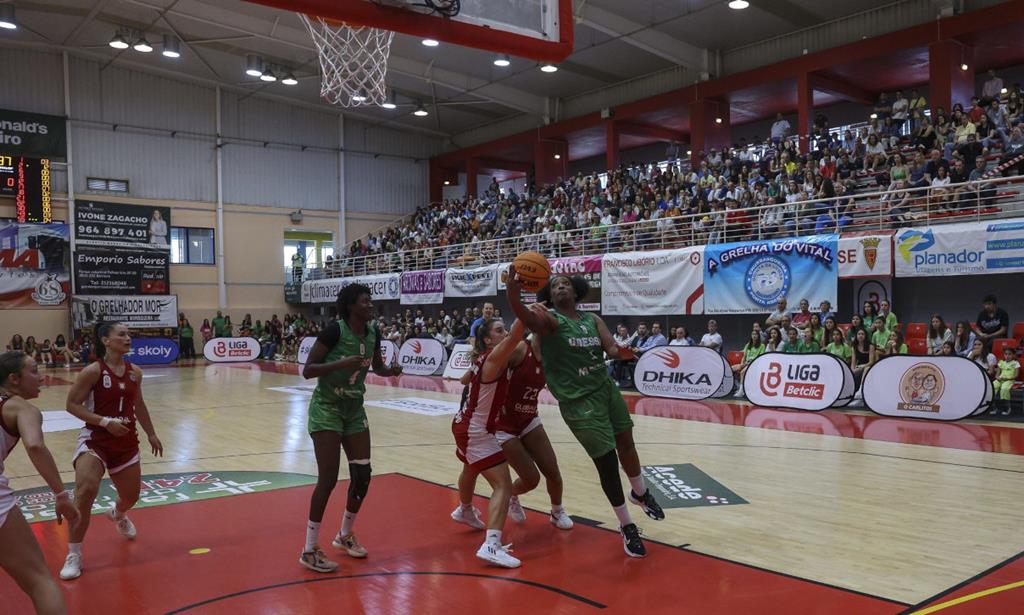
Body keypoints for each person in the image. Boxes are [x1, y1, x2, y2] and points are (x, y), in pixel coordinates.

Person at [507, 269, 663, 558]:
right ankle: (627, 525)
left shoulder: (593, 319)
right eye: (555, 286)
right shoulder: (550, 321)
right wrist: (513, 294)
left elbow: (613, 349)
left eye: (566, 284)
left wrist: (625, 352)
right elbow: (526, 318)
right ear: (550, 296)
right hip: (578, 401)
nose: (561, 287)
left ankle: (640, 492)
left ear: (576, 291)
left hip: (605, 389)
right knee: (606, 461)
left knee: (626, 443)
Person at [298, 284, 402, 573]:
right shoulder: (334, 331)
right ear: (350, 306)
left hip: (354, 410)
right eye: (365, 301)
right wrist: (340, 362)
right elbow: (308, 370)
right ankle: (309, 549)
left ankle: (344, 534)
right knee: (328, 479)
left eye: (370, 301)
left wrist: (389, 371)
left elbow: (377, 366)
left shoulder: (373, 333)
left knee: (362, 475)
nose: (371, 305)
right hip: (327, 408)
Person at [60, 322, 164, 580]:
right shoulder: (92, 371)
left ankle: (118, 514)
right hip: (96, 439)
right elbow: (72, 405)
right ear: (106, 340)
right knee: (85, 492)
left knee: (131, 496)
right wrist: (105, 422)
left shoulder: (135, 372)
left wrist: (151, 433)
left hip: (126, 442)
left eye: (129, 334)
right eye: (122, 334)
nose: (128, 338)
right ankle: (74, 553)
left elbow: (138, 404)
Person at [0, 351, 80, 614]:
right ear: (14, 378)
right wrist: (61, 494)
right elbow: (34, 444)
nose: (42, 377)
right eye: (34, 370)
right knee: (39, 581)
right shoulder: (21, 408)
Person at [450, 318, 527, 568]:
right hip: (476, 430)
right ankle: (491, 545)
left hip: (465, 424)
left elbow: (463, 381)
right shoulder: (493, 359)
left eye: (504, 328)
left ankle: (464, 509)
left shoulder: (482, 359)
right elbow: (516, 336)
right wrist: (521, 303)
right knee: (503, 485)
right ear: (487, 340)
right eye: (498, 330)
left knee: (470, 468)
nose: (504, 333)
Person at [732, 330, 765, 396]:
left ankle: (741, 391)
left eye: (756, 334)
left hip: (754, 364)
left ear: (758, 336)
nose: (754, 336)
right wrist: (741, 364)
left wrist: (745, 364)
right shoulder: (748, 345)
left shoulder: (762, 346)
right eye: (753, 334)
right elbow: (744, 356)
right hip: (746, 363)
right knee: (731, 369)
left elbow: (760, 357)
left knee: (742, 372)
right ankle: (737, 386)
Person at [993, 346, 1020, 416]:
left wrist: (1008, 379)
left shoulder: (1015, 363)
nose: (1007, 356)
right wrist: (998, 378)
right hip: (1001, 379)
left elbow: (1016, 375)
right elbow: (997, 375)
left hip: (1010, 380)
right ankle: (994, 408)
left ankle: (1007, 408)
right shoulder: (1001, 363)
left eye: (1009, 354)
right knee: (992, 387)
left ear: (1013, 355)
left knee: (1004, 389)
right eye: (1006, 354)